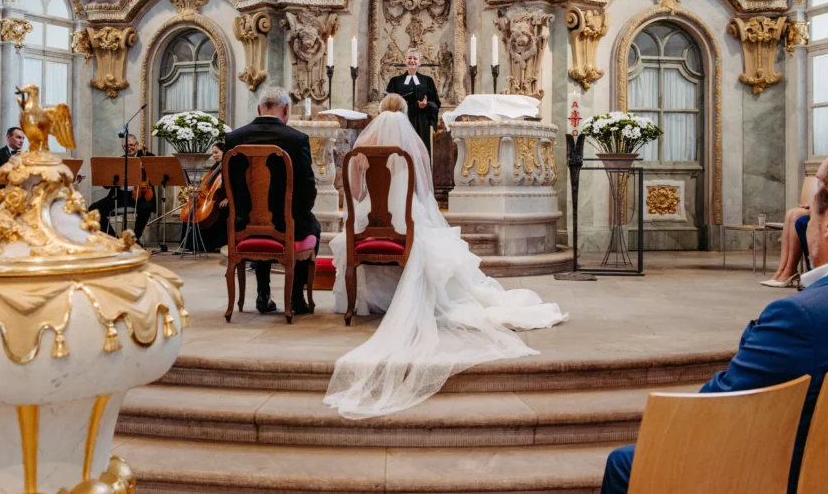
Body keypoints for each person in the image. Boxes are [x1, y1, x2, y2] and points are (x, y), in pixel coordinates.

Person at [601, 167, 828, 494]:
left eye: (812, 219)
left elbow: (718, 409)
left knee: (625, 464)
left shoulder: (802, 316)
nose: (809, 230)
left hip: (805, 473)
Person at [325, 94, 568, 419]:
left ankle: (368, 300)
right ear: (405, 111)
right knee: (429, 241)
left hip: (368, 222)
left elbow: (354, 189)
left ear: (380, 112)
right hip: (405, 222)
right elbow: (424, 192)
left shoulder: (363, 143)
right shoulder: (412, 146)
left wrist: (367, 204)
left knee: (351, 235)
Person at [222, 87, 319, 315]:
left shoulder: (234, 138)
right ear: (286, 110)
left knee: (262, 225)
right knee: (312, 225)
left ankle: (262, 293)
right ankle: (296, 297)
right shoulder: (297, 140)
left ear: (259, 109)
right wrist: (298, 211)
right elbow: (308, 190)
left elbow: (229, 186)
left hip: (243, 225)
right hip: (287, 225)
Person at [762, 127, 828, 287]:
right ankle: (783, 270)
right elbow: (821, 174)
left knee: (797, 217)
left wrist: (820, 206)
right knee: (792, 213)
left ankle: (789, 272)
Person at [88, 134, 155, 242]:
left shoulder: (146, 157)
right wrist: (104, 176)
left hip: (139, 196)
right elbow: (107, 185)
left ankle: (134, 239)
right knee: (94, 209)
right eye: (125, 146)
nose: (129, 148)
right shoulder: (119, 161)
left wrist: (145, 157)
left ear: (137, 144)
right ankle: (115, 239)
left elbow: (155, 170)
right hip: (119, 196)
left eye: (131, 145)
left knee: (146, 208)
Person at [384, 48, 440, 155]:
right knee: (402, 152)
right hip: (401, 121)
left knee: (420, 152)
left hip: (421, 122)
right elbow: (387, 101)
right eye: (409, 58)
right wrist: (399, 102)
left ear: (419, 62)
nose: (412, 60)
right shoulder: (395, 81)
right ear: (405, 60)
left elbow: (436, 104)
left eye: (415, 58)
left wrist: (426, 104)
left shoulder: (427, 81)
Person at [180, 141, 228, 252]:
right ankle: (190, 243)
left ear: (225, 152)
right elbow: (205, 186)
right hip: (209, 197)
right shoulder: (214, 169)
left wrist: (228, 198)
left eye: (216, 152)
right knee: (191, 211)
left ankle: (212, 244)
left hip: (224, 199)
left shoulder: (230, 168)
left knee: (220, 210)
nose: (214, 155)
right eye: (213, 153)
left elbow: (236, 186)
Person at [0, 127, 26, 194]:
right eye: (18, 137)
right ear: (8, 137)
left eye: (23, 138)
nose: (22, 141)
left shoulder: (24, 156)